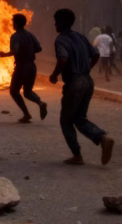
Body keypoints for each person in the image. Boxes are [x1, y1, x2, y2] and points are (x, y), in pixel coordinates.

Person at [48, 9, 115, 166]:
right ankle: (103, 138)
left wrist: (54, 75)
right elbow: (96, 54)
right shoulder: (81, 37)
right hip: (87, 81)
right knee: (79, 118)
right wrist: (86, 69)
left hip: (74, 82)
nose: (54, 24)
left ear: (61, 23)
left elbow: (63, 59)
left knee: (66, 121)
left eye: (56, 21)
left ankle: (77, 155)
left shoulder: (61, 40)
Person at [0, 13, 48, 123]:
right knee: (28, 92)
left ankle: (26, 114)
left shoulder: (15, 36)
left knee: (14, 91)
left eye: (13, 22)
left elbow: (15, 50)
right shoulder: (30, 35)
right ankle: (41, 103)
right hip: (31, 66)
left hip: (21, 67)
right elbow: (39, 48)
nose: (12, 24)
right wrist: (29, 51)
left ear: (16, 23)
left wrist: (4, 54)